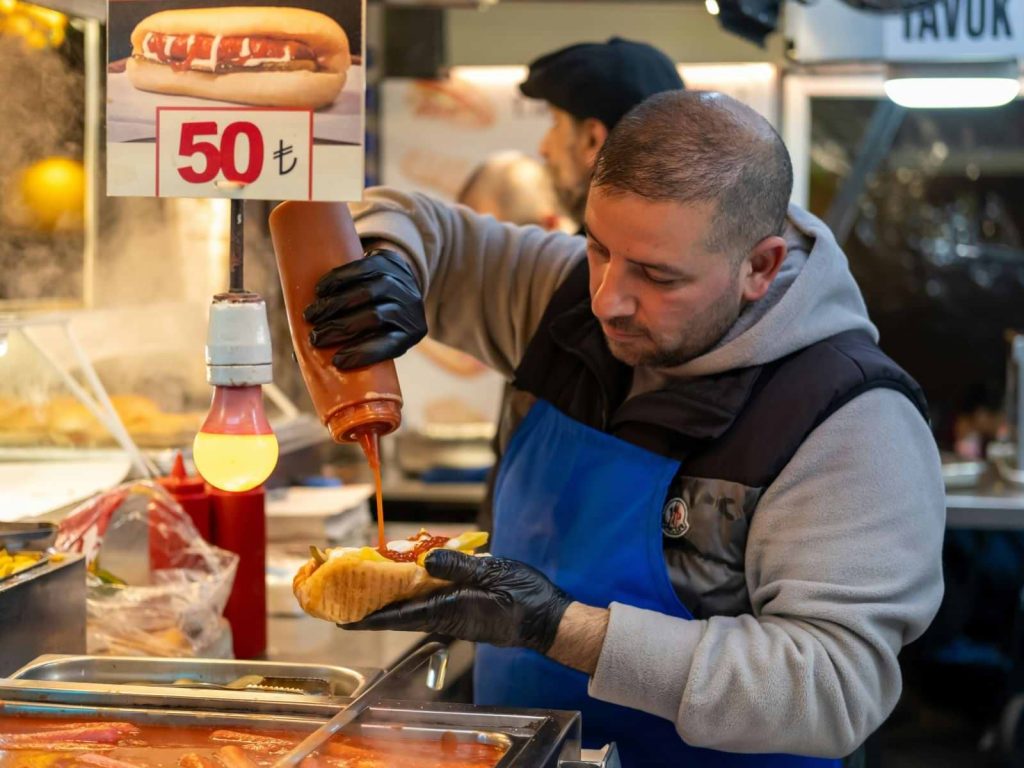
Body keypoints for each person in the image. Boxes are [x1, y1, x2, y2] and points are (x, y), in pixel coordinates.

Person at [301, 91, 946, 766]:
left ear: (761, 267)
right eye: (597, 247)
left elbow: (833, 688)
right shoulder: (565, 297)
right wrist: (387, 265)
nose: (608, 298)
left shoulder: (849, 420)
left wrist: (560, 628)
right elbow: (414, 218)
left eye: (658, 276)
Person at [519, 36, 685, 229]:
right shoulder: (706, 247)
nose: (543, 148)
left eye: (556, 122)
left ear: (592, 139)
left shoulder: (586, 258)